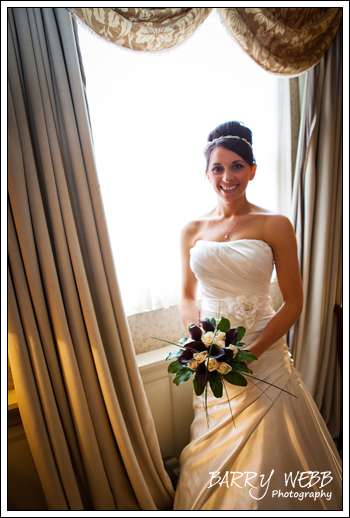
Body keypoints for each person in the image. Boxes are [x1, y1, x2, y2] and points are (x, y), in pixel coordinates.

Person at [173, 121, 342, 510]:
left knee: (270, 443)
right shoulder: (191, 229)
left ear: (252, 169)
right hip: (213, 355)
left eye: (236, 166)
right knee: (214, 440)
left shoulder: (276, 225)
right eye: (218, 168)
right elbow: (186, 295)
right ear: (207, 173)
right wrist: (200, 340)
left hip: (264, 354)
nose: (227, 176)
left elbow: (294, 301)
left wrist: (250, 351)